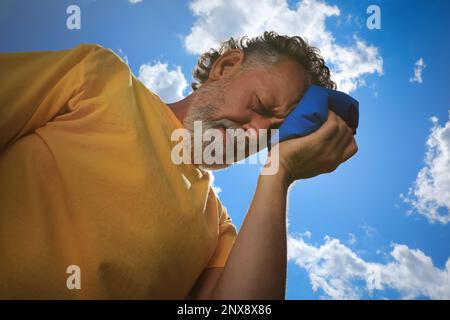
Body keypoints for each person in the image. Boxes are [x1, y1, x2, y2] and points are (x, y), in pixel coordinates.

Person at [0, 31, 357, 299]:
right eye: (261, 105)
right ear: (226, 67)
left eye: (273, 134)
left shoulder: (217, 228)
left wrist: (278, 174)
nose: (256, 133)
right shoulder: (101, 79)